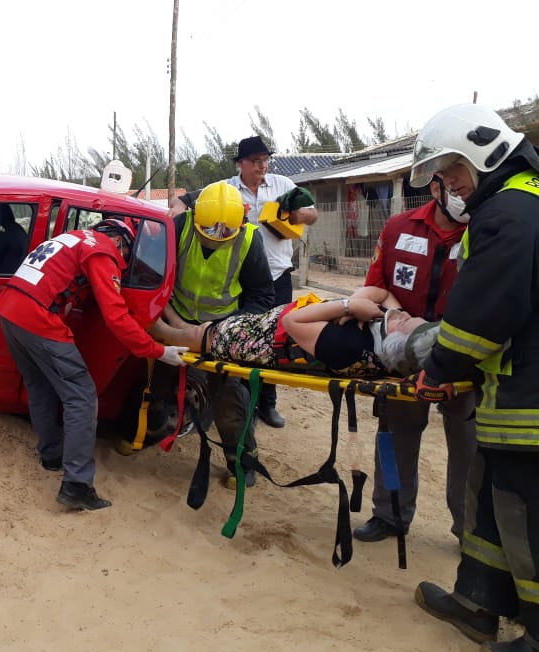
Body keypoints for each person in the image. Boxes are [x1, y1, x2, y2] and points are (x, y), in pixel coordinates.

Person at [407, 103, 539, 652]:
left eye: (453, 169)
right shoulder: (513, 201)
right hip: (508, 387)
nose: (449, 184)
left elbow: (484, 309)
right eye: (441, 174)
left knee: (526, 515)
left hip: (529, 394)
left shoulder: (511, 212)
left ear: (483, 150)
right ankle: (478, 602)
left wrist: (437, 368)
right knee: (486, 495)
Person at [0, 218, 189, 512]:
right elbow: (116, 317)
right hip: (37, 318)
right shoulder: (102, 250)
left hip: (9, 312)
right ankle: (77, 485)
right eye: (126, 255)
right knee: (82, 397)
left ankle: (51, 456)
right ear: (120, 242)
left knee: (40, 385)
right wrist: (158, 351)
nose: (122, 262)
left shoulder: (72, 238)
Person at [354, 176, 478, 544]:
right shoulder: (398, 227)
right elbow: (375, 285)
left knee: (468, 446)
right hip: (402, 357)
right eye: (451, 182)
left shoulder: (487, 229)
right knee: (393, 439)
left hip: (462, 357)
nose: (460, 192)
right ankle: (390, 515)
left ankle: (471, 531)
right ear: (435, 187)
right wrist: (397, 319)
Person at [167, 180, 275, 488]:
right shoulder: (179, 227)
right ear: (196, 216)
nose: (217, 239)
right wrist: (174, 323)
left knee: (230, 401)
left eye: (226, 233)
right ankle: (147, 435)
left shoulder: (250, 240)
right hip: (175, 323)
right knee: (156, 385)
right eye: (209, 232)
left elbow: (261, 297)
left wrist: (224, 330)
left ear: (241, 220)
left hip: (221, 333)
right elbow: (157, 276)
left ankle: (242, 463)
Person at [227, 135, 319, 429]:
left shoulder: (284, 186)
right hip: (241, 278)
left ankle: (268, 404)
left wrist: (296, 213)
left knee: (275, 340)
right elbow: (194, 202)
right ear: (241, 163)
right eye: (256, 161)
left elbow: (312, 213)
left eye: (266, 160)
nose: (262, 166)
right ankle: (245, 408)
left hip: (278, 276)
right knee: (243, 339)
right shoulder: (227, 190)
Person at [155, 286, 438, 378]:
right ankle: (164, 308)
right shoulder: (392, 331)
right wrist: (363, 301)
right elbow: (383, 293)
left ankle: (147, 324)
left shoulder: (347, 346)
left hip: (265, 341)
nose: (400, 314)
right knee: (202, 329)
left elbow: (295, 323)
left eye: (403, 321)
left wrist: (350, 306)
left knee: (198, 338)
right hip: (273, 325)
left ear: (391, 342)